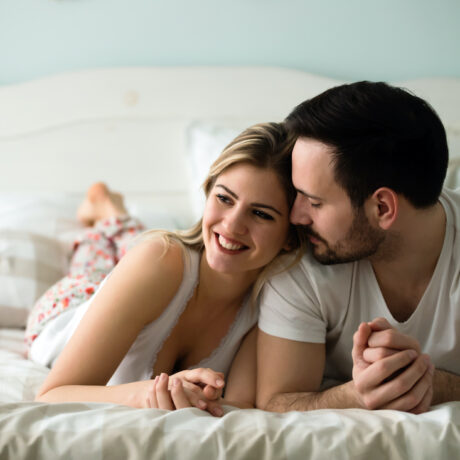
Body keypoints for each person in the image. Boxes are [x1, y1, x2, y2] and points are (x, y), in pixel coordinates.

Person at [26, 122, 303, 415]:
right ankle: (106, 209)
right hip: (69, 304)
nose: (232, 225)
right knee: (105, 259)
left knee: (136, 254)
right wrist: (149, 393)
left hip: (150, 278)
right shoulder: (157, 260)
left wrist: (188, 397)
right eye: (224, 198)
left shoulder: (273, 303)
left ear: (290, 236)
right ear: (208, 194)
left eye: (260, 214)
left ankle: (113, 214)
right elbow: (51, 395)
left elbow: (241, 404)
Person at [256, 81, 460, 414]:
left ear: (382, 208)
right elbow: (275, 403)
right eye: (297, 194)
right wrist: (354, 396)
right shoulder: (298, 261)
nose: (295, 215)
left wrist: (431, 384)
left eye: (315, 201)